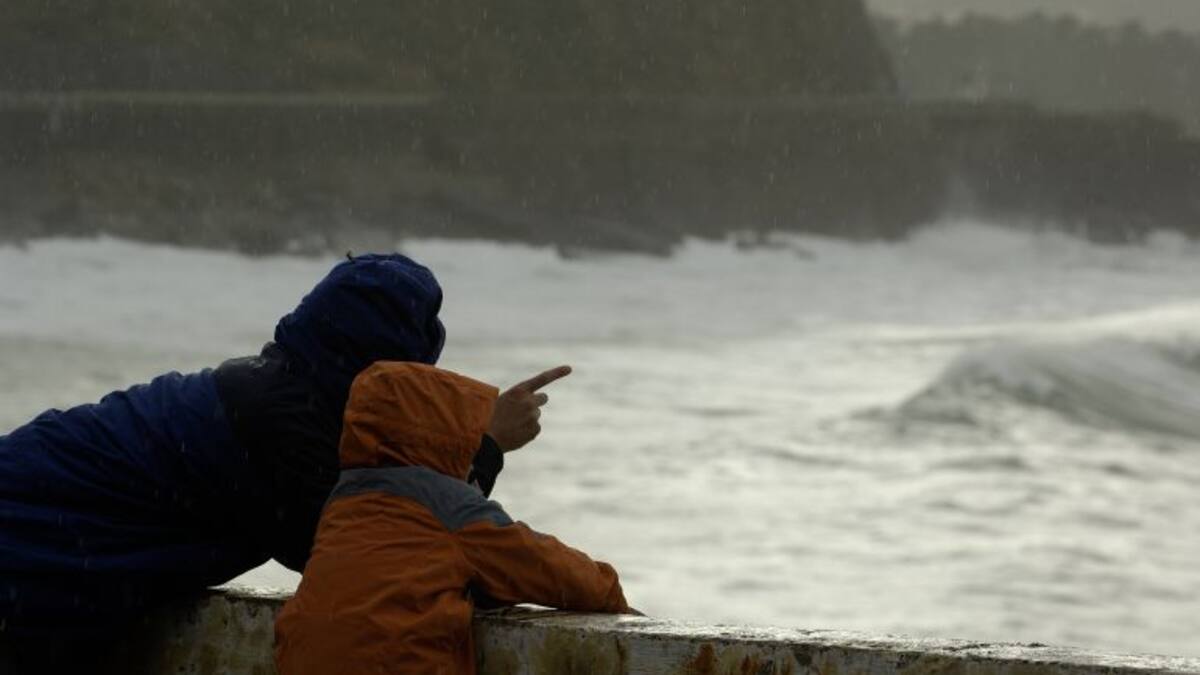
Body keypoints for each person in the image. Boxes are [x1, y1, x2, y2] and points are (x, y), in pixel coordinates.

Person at [0, 253, 562, 642]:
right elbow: (393, 559)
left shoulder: (278, 390)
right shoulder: (280, 428)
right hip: (22, 536)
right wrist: (484, 445)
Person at [274, 361, 632, 675]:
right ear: (442, 433)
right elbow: (559, 573)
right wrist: (617, 599)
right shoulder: (450, 508)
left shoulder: (343, 503)